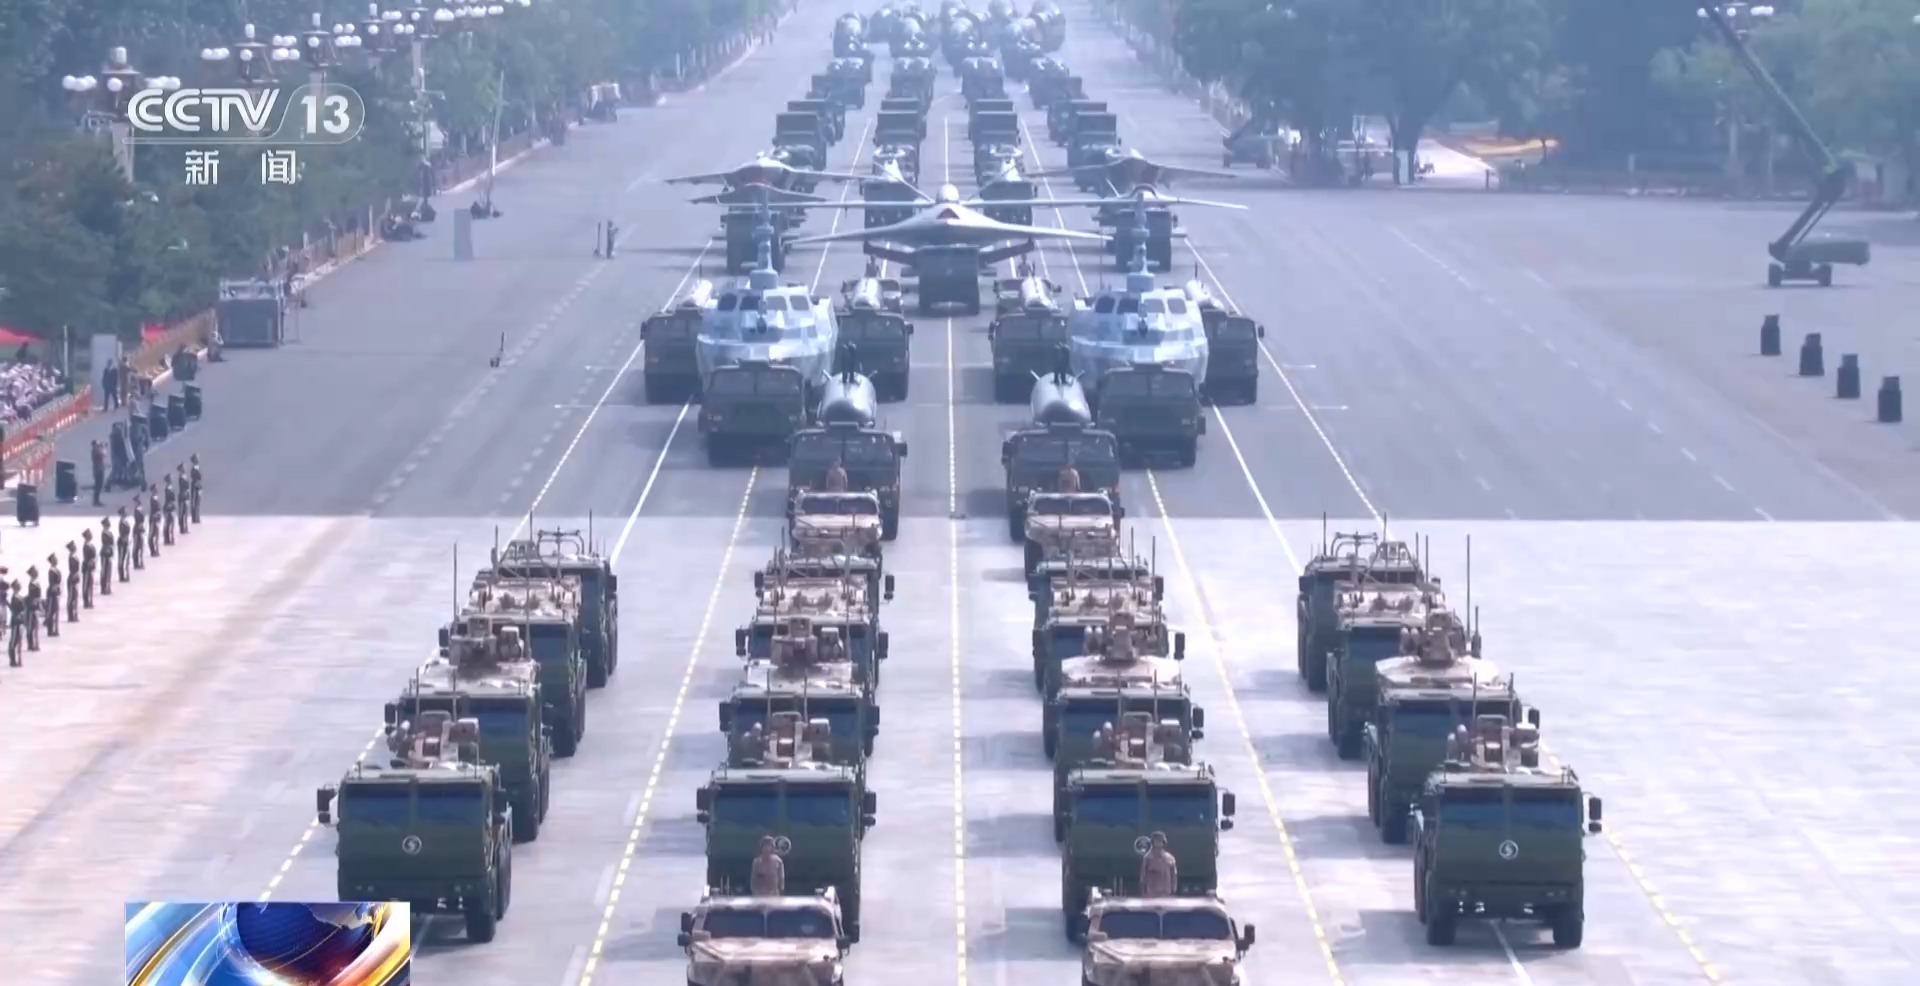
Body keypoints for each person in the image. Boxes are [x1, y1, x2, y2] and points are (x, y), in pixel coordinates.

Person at [1138, 831, 1178, 897]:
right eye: (1156, 841)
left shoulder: (1170, 858)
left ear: (1163, 842)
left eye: (1160, 841)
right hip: (1151, 892)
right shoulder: (1148, 858)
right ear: (1152, 842)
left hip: (1165, 892)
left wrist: (1174, 888)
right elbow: (1143, 875)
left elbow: (1173, 875)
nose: (1158, 843)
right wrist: (1143, 889)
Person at [23, 568, 40, 652]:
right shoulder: (32, 584)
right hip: (31, 608)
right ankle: (31, 644)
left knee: (35, 627)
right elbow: (33, 596)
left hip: (35, 607)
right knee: (30, 627)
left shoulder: (35, 583)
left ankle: (35, 644)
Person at [43, 555, 60, 638]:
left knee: (55, 610)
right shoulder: (51, 571)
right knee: (51, 611)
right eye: (54, 559)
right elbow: (52, 582)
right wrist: (55, 589)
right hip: (52, 592)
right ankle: (50, 630)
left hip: (55, 591)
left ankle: (54, 629)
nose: (56, 560)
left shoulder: (56, 570)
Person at [7, 582, 23, 667]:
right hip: (15, 621)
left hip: (19, 621)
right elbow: (15, 610)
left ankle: (15, 659)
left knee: (17, 640)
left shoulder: (19, 597)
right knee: (13, 642)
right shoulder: (14, 598)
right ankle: (12, 660)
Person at [80, 532, 96, 609]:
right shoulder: (86, 546)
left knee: (90, 584)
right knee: (86, 585)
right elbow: (88, 556)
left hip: (90, 565)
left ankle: (90, 600)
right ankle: (86, 601)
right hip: (87, 566)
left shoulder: (90, 545)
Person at [64, 544, 79, 624]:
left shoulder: (74, 557)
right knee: (71, 598)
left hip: (75, 577)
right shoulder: (71, 557)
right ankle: (71, 616)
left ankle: (74, 615)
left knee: (75, 597)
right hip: (72, 578)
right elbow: (73, 568)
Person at [116, 509, 132, 582]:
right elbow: (123, 533)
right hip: (123, 542)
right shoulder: (122, 522)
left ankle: (124, 575)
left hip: (125, 540)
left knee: (125, 559)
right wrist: (125, 539)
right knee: (122, 559)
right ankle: (122, 576)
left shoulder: (124, 522)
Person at [89, 440, 106, 506]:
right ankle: (96, 501)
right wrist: (103, 447)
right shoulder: (95, 450)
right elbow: (103, 454)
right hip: (98, 470)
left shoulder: (95, 450)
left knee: (98, 485)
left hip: (98, 469)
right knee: (98, 486)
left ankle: (96, 500)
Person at [146, 485, 161, 558]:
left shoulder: (156, 498)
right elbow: (156, 509)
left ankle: (156, 550)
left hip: (156, 518)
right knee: (152, 535)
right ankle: (153, 550)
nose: (157, 489)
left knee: (156, 536)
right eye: (155, 489)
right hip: (153, 519)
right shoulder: (153, 498)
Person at [175, 464, 190, 534]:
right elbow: (184, 486)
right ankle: (182, 528)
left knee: (185, 513)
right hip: (182, 496)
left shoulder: (184, 476)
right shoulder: (181, 477)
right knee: (182, 513)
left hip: (185, 495)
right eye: (183, 468)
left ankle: (185, 527)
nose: (184, 469)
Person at [162, 476, 177, 545]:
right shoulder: (168, 489)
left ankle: (169, 538)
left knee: (170, 524)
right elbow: (170, 497)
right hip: (169, 507)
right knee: (168, 524)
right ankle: (168, 539)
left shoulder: (170, 488)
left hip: (170, 506)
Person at [131, 502, 146, 570]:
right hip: (137, 532)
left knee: (140, 548)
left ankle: (139, 562)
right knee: (137, 548)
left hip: (139, 531)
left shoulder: (138, 511)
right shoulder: (137, 511)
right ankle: (136, 562)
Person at [189, 454, 203, 524]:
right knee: (194, 502)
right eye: (197, 458)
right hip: (195, 486)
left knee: (197, 503)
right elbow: (196, 477)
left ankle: (197, 517)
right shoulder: (194, 468)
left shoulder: (197, 467)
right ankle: (194, 518)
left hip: (198, 485)